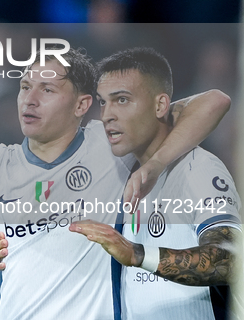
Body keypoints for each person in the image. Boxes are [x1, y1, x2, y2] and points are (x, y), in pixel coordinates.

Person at [0, 45, 229, 319]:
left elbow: (213, 102)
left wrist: (154, 164)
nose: (30, 98)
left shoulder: (112, 147)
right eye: (25, 86)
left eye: (47, 89)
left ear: (82, 104)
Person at [68, 47, 241, 319]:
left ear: (161, 106)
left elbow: (230, 260)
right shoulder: (121, 169)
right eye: (103, 102)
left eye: (122, 100)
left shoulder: (197, 169)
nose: (106, 115)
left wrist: (137, 254)